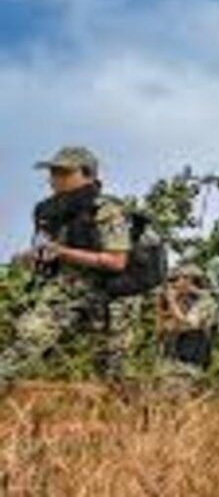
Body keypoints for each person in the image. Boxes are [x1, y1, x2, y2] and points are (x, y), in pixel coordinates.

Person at [0, 146, 131, 384]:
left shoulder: (106, 211)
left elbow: (117, 261)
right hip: (62, 291)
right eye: (53, 172)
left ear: (88, 174)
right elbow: (48, 250)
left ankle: (131, 418)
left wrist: (63, 253)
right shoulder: (49, 210)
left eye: (64, 173)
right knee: (27, 341)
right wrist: (32, 257)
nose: (54, 179)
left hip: (108, 296)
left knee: (112, 371)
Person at [155, 264, 219, 396]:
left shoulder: (206, 302)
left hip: (188, 365)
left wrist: (172, 301)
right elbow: (161, 331)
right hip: (169, 364)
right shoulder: (181, 303)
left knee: (179, 406)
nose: (173, 285)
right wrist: (162, 306)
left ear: (188, 280)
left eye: (175, 280)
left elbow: (189, 324)